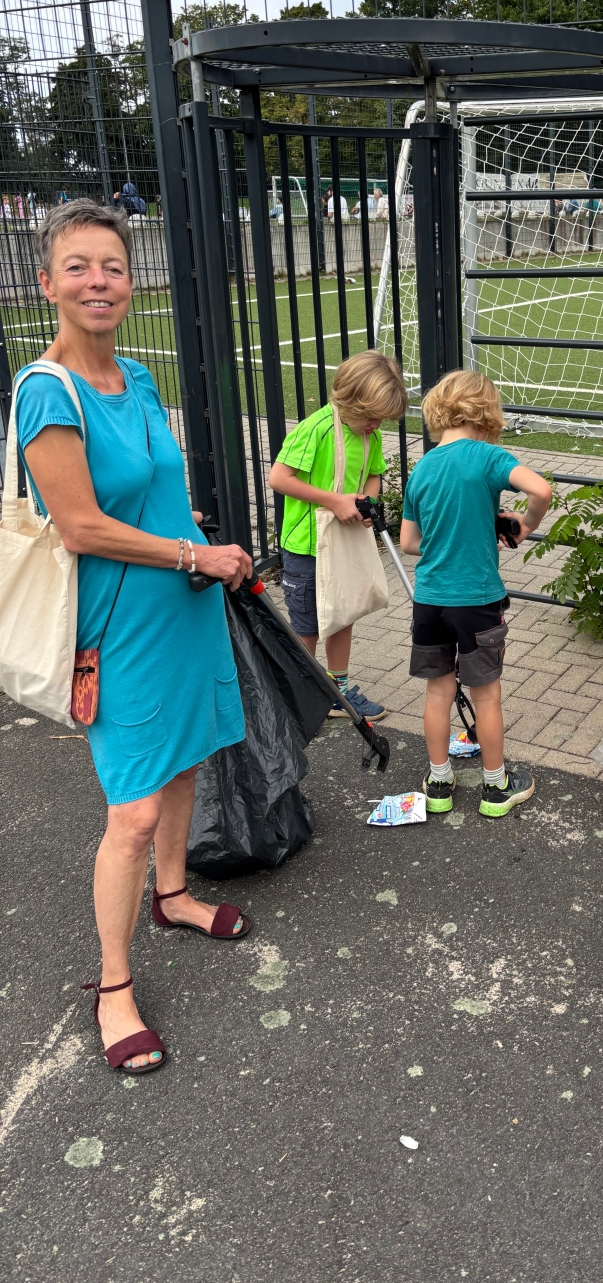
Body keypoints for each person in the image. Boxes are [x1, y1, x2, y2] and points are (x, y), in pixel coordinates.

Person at [14, 200, 254, 1075]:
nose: (98, 282)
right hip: (119, 627)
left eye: (111, 266)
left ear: (132, 280)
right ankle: (113, 987)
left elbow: (156, 490)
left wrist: (194, 539)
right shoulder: (47, 391)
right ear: (48, 283)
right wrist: (194, 551)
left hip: (182, 607)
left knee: (185, 761)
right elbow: (80, 526)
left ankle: (174, 894)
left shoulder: (140, 378)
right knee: (133, 809)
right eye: (77, 267)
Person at [399, 371, 551, 817]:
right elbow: (541, 489)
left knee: (437, 693)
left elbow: (409, 543)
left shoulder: (422, 468)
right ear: (486, 414)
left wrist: (448, 539)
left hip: (430, 599)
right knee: (486, 695)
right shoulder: (487, 456)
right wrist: (526, 523)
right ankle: (495, 787)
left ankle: (439, 783)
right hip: (476, 599)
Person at [267, 351, 408, 721]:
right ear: (350, 400)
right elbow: (279, 478)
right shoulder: (316, 429)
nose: (376, 424)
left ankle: (337, 692)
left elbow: (373, 473)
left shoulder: (369, 433)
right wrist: (333, 500)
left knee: (342, 614)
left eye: (382, 418)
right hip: (306, 546)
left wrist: (367, 501)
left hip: (341, 544)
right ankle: (299, 694)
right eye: (371, 415)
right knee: (307, 626)